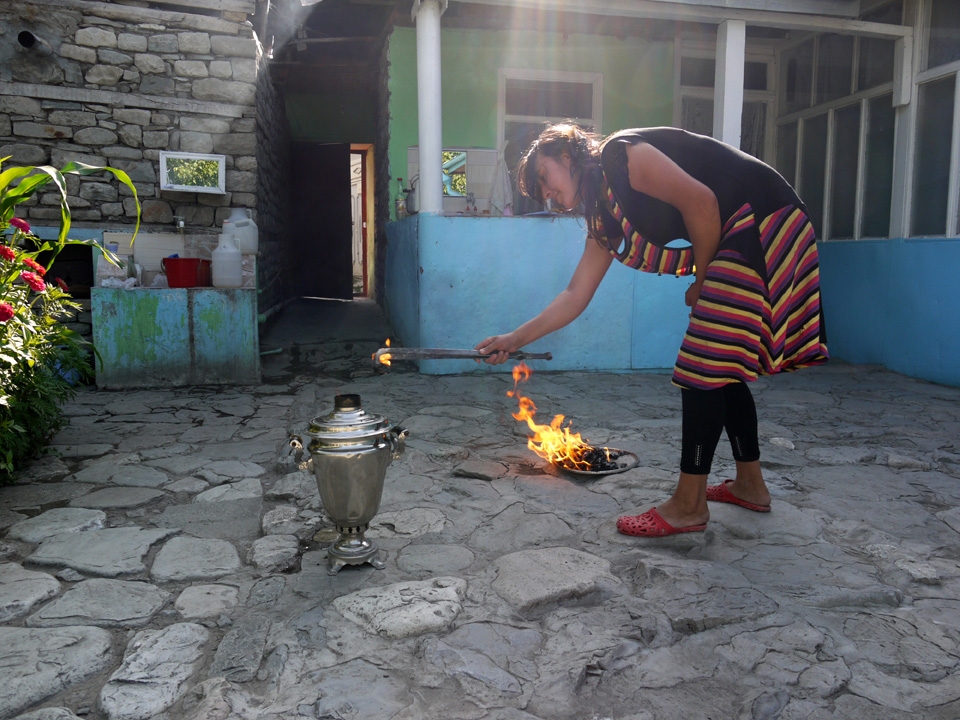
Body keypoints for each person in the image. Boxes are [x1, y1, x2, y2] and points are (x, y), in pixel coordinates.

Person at [475, 123, 828, 537]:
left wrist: (702, 282)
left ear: (566, 157)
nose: (546, 194)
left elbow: (701, 202)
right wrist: (514, 339)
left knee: (703, 367)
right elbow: (575, 295)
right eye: (538, 192)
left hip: (763, 220)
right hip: (744, 226)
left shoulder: (622, 157)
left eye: (544, 177)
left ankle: (689, 505)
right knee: (721, 366)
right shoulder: (604, 218)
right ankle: (750, 485)